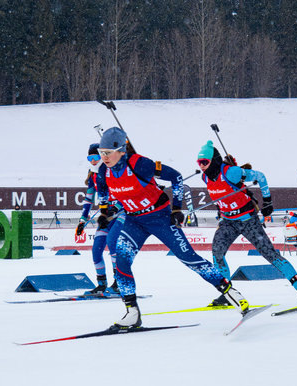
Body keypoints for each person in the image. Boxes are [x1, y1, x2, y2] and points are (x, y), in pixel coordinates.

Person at [94, 127, 251, 329]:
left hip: (160, 218)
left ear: (122, 150)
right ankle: (131, 313)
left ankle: (232, 294)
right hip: (134, 221)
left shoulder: (140, 164)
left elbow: (176, 177)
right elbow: (106, 196)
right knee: (121, 261)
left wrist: (177, 208)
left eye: (108, 152)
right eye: (101, 152)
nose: (104, 157)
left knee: (190, 259)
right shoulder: (103, 171)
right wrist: (105, 213)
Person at [196, 141, 297, 305]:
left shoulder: (231, 173)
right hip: (228, 221)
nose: (201, 166)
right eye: (199, 163)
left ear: (213, 160)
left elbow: (260, 176)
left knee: (269, 254)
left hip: (248, 219)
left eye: (204, 162)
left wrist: (268, 202)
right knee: (217, 252)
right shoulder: (205, 177)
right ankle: (228, 294)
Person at [76, 143, 121, 295]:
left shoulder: (112, 171)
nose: (93, 161)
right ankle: (101, 284)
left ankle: (118, 283)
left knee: (113, 245)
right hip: (105, 216)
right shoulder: (93, 174)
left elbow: (123, 193)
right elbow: (89, 198)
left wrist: (114, 208)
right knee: (96, 250)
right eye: (90, 158)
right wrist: (82, 219)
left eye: (96, 157)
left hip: (118, 214)